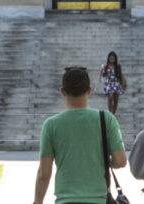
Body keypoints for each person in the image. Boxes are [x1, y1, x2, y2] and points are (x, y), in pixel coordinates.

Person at [34, 66, 127, 204]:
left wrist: (37, 201)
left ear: (62, 91)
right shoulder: (106, 119)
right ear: (89, 90)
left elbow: (43, 174)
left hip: (65, 200)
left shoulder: (51, 125)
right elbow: (120, 161)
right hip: (99, 199)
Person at [102, 51, 127, 116]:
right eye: (110, 58)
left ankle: (113, 113)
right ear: (108, 59)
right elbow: (103, 75)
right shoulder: (106, 66)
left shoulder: (118, 66)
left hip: (116, 83)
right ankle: (110, 112)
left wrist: (123, 83)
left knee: (116, 99)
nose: (112, 59)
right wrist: (102, 71)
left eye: (113, 58)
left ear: (115, 59)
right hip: (109, 83)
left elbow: (121, 75)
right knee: (110, 97)